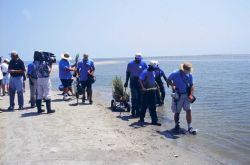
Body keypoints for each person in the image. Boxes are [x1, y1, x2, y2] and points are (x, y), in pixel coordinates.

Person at [167, 62, 196, 133]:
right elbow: (168, 80)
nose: (189, 71)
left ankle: (190, 127)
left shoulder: (190, 75)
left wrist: (191, 95)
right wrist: (172, 85)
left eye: (189, 69)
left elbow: (192, 85)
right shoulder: (174, 73)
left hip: (186, 95)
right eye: (188, 69)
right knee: (177, 112)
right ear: (183, 69)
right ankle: (177, 125)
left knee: (189, 110)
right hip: (178, 95)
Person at [124, 53, 147, 117]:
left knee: (140, 98)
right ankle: (133, 112)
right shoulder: (130, 64)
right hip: (133, 82)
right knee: (135, 98)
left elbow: (146, 73)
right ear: (135, 58)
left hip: (141, 82)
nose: (139, 60)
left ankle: (138, 112)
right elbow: (128, 73)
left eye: (140, 59)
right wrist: (126, 81)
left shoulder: (144, 63)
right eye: (138, 59)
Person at [138, 61, 161, 126]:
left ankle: (154, 121)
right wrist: (143, 87)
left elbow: (153, 79)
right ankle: (141, 119)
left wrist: (156, 85)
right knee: (144, 106)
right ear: (151, 66)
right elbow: (140, 80)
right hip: (146, 91)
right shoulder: (145, 72)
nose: (155, 68)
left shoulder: (153, 71)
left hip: (153, 90)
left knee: (153, 106)